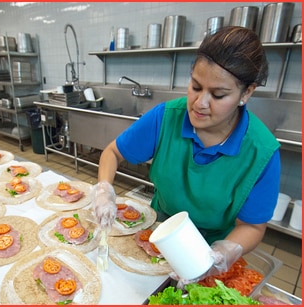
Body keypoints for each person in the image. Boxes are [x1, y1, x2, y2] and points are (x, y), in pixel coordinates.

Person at [91, 26, 280, 284]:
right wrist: (104, 190)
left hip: (209, 253)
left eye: (218, 94)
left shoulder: (262, 152)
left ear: (246, 93)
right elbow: (113, 152)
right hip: (156, 234)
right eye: (195, 86)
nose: (200, 103)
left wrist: (225, 251)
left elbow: (253, 226)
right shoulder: (166, 118)